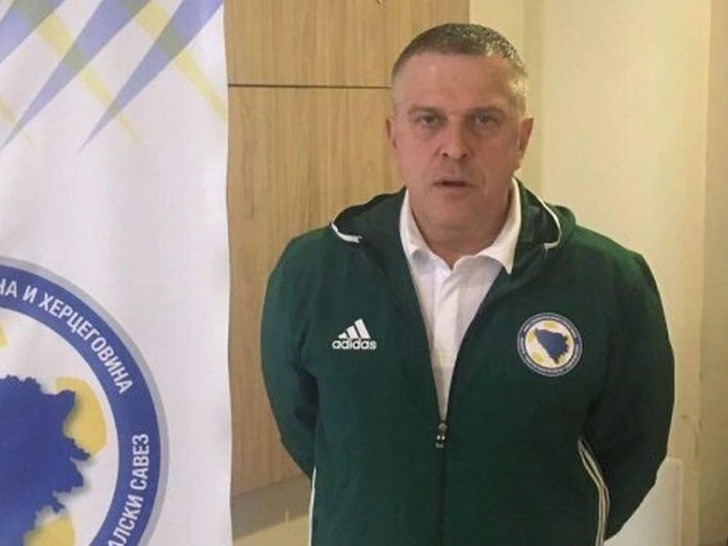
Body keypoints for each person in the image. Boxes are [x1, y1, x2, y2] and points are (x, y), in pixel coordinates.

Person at [261, 23, 673, 546]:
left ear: (521, 139)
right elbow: (307, 431)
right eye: (429, 120)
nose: (454, 148)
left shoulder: (610, 282)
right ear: (394, 135)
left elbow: (632, 448)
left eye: (484, 120)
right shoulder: (313, 271)